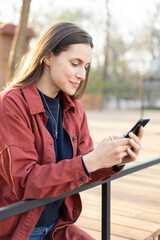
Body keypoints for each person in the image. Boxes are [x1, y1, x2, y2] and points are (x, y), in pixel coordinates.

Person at [0, 22, 143, 240]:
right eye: (75, 63)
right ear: (48, 57)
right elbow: (25, 182)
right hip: (19, 230)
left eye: (85, 66)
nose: (82, 74)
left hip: (58, 227)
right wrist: (92, 160)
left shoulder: (74, 109)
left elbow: (84, 170)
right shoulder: (12, 103)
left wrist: (114, 160)